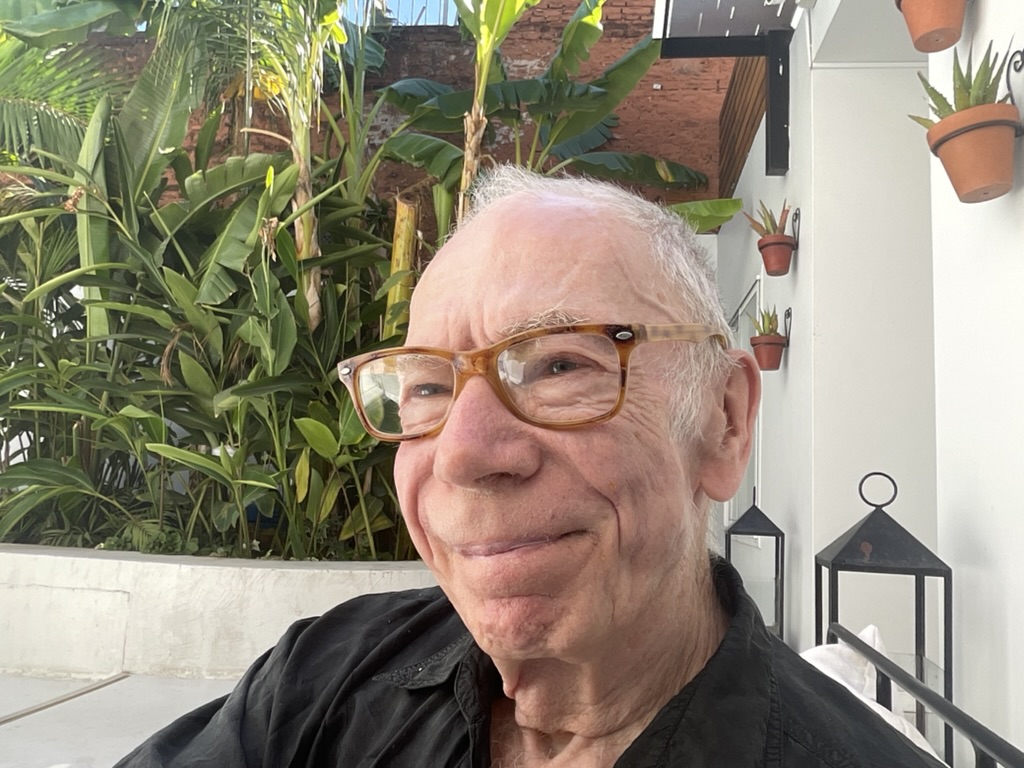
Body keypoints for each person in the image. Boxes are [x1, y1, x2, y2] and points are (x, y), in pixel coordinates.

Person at [117, 167, 944, 767]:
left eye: (559, 366)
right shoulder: (320, 682)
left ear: (724, 423)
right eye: (428, 386)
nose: (467, 453)